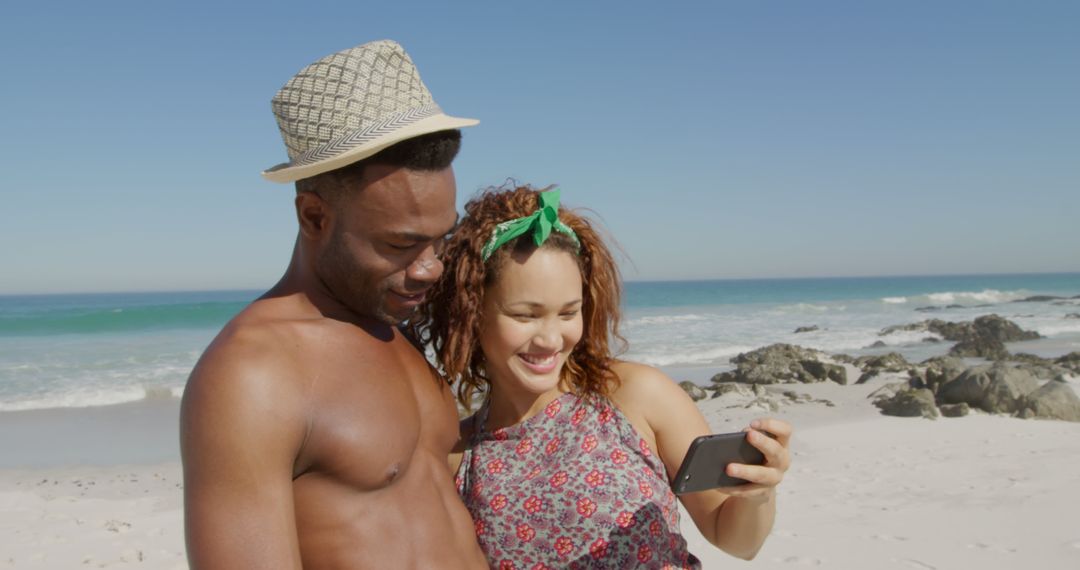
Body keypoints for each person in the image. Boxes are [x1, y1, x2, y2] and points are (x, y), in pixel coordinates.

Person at [180, 40, 488, 569]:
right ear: (314, 218)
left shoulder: (394, 327)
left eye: (441, 239)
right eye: (399, 245)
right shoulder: (254, 373)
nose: (430, 268)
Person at [412, 185, 793, 568]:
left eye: (567, 313)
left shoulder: (637, 396)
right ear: (471, 315)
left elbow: (738, 542)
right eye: (525, 315)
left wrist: (758, 493)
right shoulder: (457, 455)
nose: (550, 339)